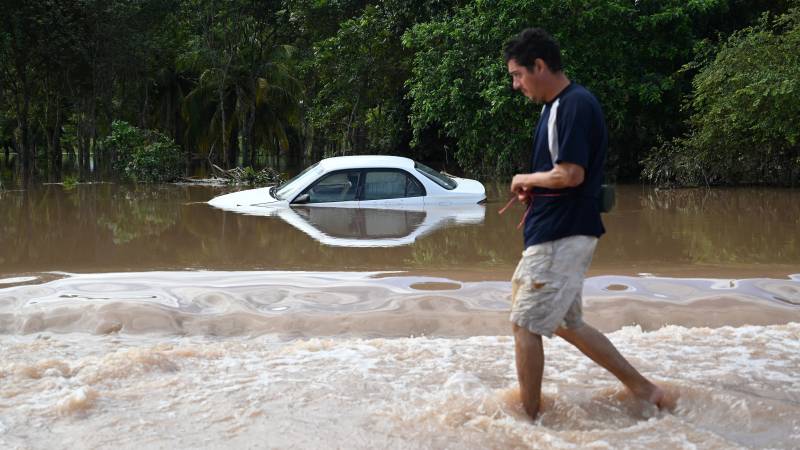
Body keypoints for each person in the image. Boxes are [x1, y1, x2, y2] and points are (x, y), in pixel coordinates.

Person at [504, 28, 674, 419]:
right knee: (567, 322)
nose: (516, 85)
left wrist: (525, 179)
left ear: (540, 66)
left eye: (517, 75)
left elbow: (570, 175)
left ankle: (528, 420)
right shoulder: (555, 107)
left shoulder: (572, 105)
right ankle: (647, 391)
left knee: (525, 325)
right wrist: (537, 188)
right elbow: (560, 176)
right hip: (559, 228)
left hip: (561, 234)